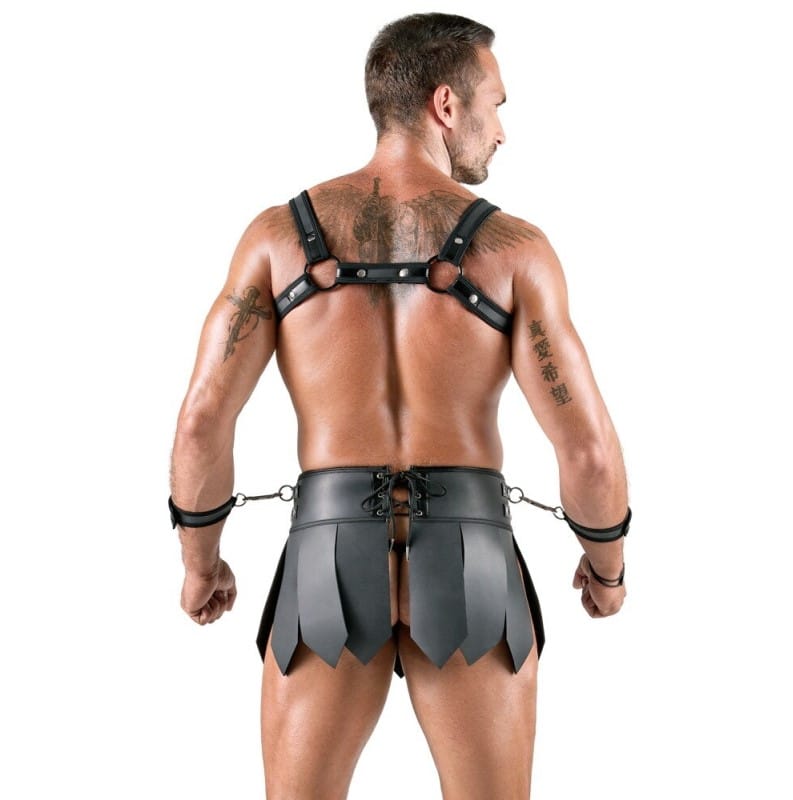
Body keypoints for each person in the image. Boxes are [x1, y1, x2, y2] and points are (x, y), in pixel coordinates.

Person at [168, 12, 630, 800]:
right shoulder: (515, 251)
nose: (502, 131)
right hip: (472, 562)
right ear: (446, 105)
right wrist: (608, 567)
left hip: (326, 561)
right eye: (497, 104)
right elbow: (586, 449)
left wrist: (199, 567)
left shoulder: (279, 239)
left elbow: (203, 418)